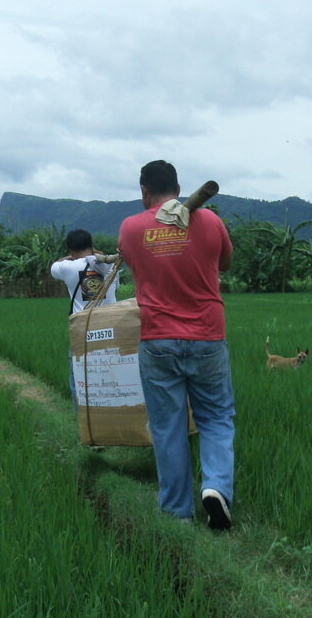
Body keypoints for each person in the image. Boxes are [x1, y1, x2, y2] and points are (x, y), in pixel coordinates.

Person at [117, 160, 236, 530]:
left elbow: (135, 265)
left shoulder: (131, 228)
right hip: (207, 337)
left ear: (144, 190)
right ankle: (216, 487)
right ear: (179, 187)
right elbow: (226, 264)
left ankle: (176, 512)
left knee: (168, 426)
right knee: (216, 418)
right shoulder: (211, 221)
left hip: (157, 340)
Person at [50, 229, 120, 403]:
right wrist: (97, 254)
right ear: (92, 245)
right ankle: (112, 412)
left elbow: (54, 266)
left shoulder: (66, 267)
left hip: (83, 329)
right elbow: (115, 287)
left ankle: (84, 418)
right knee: (112, 374)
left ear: (70, 249)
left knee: (80, 376)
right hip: (111, 328)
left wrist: (69, 257)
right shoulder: (112, 265)